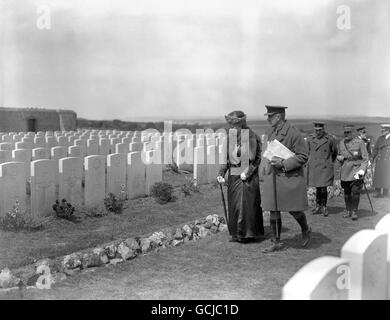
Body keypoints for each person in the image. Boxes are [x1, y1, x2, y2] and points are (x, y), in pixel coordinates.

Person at [260, 105, 311, 253]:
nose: (268, 119)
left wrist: (283, 163)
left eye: (270, 116)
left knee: (294, 209)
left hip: (289, 177)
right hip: (273, 177)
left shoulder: (294, 134)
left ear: (278, 117)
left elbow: (303, 156)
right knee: (273, 209)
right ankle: (276, 241)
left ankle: (306, 230)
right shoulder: (271, 132)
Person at [216, 110, 264, 243]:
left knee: (246, 207)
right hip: (233, 176)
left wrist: (247, 173)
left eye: (234, 126)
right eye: (230, 126)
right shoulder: (230, 138)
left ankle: (248, 234)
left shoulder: (251, 136)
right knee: (235, 206)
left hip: (247, 177)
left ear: (241, 125)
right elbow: (226, 159)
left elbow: (256, 159)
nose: (231, 128)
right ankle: (236, 234)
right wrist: (221, 174)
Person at [336, 125, 369, 220]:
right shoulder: (341, 143)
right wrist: (339, 158)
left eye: (348, 132)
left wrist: (361, 172)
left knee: (355, 192)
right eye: (345, 133)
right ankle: (348, 210)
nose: (346, 134)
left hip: (357, 171)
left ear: (353, 133)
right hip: (345, 171)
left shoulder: (360, 142)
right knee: (346, 192)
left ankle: (354, 211)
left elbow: (365, 159)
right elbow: (338, 156)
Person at [306, 122, 338, 216]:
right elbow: (307, 152)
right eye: (316, 130)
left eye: (320, 130)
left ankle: (324, 206)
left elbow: (334, 152)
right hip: (315, 167)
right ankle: (317, 206)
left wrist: (328, 162)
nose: (318, 132)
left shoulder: (329, 139)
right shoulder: (310, 139)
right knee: (317, 188)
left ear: (323, 129)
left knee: (323, 188)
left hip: (325, 167)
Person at [372, 124, 390, 198]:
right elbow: (375, 149)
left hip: (388, 161)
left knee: (386, 176)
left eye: (383, 130)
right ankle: (377, 191)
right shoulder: (380, 138)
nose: (382, 132)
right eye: (382, 130)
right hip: (380, 161)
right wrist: (372, 158)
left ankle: (386, 192)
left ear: (388, 130)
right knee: (378, 176)